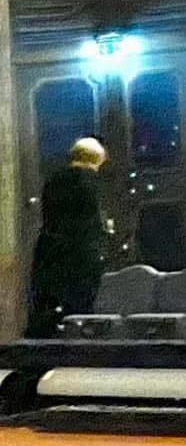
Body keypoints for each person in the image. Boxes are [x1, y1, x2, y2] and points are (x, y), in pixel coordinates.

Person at [26, 137, 111, 336]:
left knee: (47, 311)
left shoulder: (53, 181)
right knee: (80, 312)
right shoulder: (90, 182)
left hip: (49, 252)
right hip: (80, 255)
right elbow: (92, 222)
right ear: (96, 159)